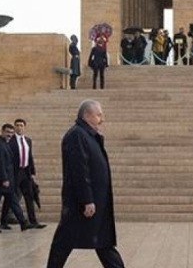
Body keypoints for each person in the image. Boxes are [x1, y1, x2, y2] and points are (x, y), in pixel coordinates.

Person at [47, 100, 124, 268]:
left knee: (102, 242)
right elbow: (79, 170)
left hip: (95, 202)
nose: (101, 119)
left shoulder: (87, 135)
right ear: (87, 115)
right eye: (98, 115)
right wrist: (86, 199)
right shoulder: (77, 135)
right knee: (65, 241)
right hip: (81, 203)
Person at [0, 123, 29, 232]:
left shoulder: (5, 143)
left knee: (10, 201)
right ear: (2, 131)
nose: (9, 135)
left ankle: (22, 222)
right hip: (2, 180)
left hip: (7, 179)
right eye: (7, 132)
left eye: (11, 133)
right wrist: (4, 179)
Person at [2, 118, 45, 229]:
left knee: (29, 196)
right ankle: (4, 221)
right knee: (11, 196)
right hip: (15, 172)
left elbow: (29, 156)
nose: (19, 127)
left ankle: (33, 221)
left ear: (24, 127)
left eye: (21, 125)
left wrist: (32, 171)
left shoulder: (28, 140)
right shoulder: (10, 140)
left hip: (25, 171)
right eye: (17, 125)